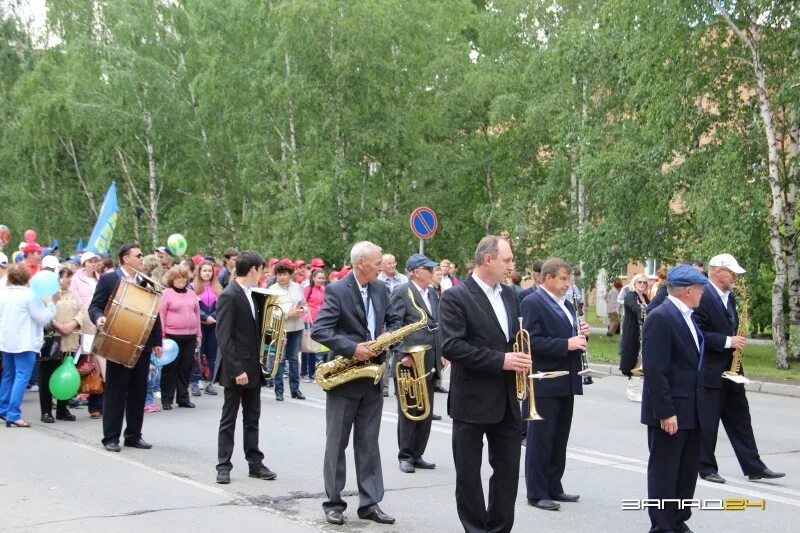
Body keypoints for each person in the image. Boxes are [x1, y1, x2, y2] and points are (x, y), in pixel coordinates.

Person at [440, 236, 529, 533]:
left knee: (508, 473)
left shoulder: (511, 295)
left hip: (506, 400)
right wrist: (501, 360)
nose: (511, 266)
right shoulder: (456, 296)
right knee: (468, 475)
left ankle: (500, 528)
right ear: (488, 260)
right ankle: (476, 529)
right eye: (507, 260)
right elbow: (451, 345)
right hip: (472, 400)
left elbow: (516, 339)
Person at [311, 241, 402, 526]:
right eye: (377, 263)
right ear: (361, 263)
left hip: (372, 377)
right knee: (337, 442)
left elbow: (392, 319)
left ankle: (370, 503)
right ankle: (334, 503)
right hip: (345, 377)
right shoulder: (337, 290)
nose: (382, 267)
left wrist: (390, 334)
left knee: (368, 443)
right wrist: (353, 348)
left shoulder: (379, 288)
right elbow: (320, 330)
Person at [694, 254, 785, 484]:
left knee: (741, 419)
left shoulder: (730, 297)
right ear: (717, 271)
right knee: (709, 422)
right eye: (731, 272)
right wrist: (728, 341)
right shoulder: (702, 296)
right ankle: (705, 467)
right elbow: (697, 333)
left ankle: (754, 466)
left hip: (733, 369)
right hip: (711, 370)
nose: (735, 276)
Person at [640, 265, 708, 533]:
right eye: (701, 289)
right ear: (688, 290)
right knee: (665, 471)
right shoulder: (662, 317)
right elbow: (656, 371)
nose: (703, 293)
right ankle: (662, 526)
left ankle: (678, 521)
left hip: (691, 409)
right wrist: (666, 412)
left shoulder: (689, 316)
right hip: (671, 412)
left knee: (685, 472)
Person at [520, 258, 588, 512]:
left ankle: (553, 485)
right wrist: (565, 344)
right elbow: (529, 341)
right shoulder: (533, 302)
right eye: (562, 279)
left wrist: (581, 334)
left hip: (566, 377)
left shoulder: (567, 304)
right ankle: (537, 492)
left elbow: (568, 334)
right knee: (541, 439)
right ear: (547, 278)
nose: (566, 284)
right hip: (544, 379)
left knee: (559, 437)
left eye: (568, 279)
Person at [89, 244, 163, 452]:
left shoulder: (145, 281)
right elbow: (94, 306)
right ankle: (111, 437)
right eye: (138, 255)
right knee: (116, 391)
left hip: (141, 344)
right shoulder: (109, 279)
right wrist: (99, 318)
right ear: (125, 258)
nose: (141, 258)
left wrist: (156, 341)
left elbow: (154, 313)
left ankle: (133, 435)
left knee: (139, 391)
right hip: (117, 342)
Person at [214, 251, 276, 484]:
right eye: (261, 269)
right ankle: (223, 465)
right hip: (236, 367)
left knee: (252, 416)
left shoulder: (254, 294)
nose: (262, 274)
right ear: (252, 269)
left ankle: (255, 463)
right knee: (229, 418)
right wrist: (236, 369)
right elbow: (224, 337)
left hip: (254, 365)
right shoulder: (229, 295)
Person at [390, 253, 443, 474]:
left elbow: (438, 324)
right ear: (414, 271)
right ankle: (405, 455)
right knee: (410, 409)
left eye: (433, 269)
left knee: (426, 410)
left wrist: (442, 352)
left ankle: (418, 453)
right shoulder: (402, 292)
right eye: (428, 269)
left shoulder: (432, 293)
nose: (433, 272)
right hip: (409, 360)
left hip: (429, 359)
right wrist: (403, 352)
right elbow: (394, 325)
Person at [0, 264, 57, 427]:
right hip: (25, 341)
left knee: (8, 375)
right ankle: (13, 414)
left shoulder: (3, 293)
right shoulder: (30, 295)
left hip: (6, 341)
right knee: (21, 376)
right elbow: (43, 318)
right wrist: (52, 305)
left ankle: (3, 408)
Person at [39, 264, 87, 423]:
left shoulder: (74, 295)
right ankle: (46, 410)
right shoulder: (47, 295)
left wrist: (73, 324)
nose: (66, 280)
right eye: (63, 276)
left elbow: (82, 311)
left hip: (69, 341)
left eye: (69, 276)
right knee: (47, 376)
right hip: (52, 341)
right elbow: (42, 314)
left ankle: (62, 408)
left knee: (65, 375)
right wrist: (58, 325)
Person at [158, 265, 202, 407]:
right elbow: (161, 315)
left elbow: (197, 313)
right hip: (172, 336)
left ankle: (183, 398)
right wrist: (162, 335)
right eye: (178, 277)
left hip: (190, 335)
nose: (181, 280)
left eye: (183, 277)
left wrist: (198, 335)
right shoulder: (166, 293)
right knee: (170, 369)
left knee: (185, 368)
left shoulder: (191, 293)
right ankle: (167, 399)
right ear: (172, 279)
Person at [71, 251, 103, 418]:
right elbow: (75, 302)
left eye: (95, 261)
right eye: (90, 261)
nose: (93, 264)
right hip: (85, 327)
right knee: (88, 364)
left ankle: (98, 403)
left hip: (99, 325)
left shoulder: (100, 279)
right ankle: (88, 397)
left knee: (101, 365)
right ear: (83, 263)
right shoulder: (76, 280)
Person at [271, 261, 308, 401]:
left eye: (285, 274)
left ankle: (295, 389)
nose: (282, 277)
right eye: (279, 274)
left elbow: (305, 305)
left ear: (290, 275)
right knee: (280, 359)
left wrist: (302, 310)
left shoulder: (297, 287)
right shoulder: (272, 289)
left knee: (293, 359)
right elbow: (271, 312)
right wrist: (287, 314)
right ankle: (279, 390)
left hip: (297, 327)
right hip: (281, 328)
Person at [620, 274, 650, 403]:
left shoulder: (644, 298)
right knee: (636, 361)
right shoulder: (631, 296)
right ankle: (633, 391)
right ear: (634, 283)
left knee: (642, 361)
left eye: (644, 283)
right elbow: (637, 310)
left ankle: (635, 390)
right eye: (640, 282)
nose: (642, 284)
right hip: (634, 334)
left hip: (644, 334)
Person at [193, 260, 222, 396]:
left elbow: (221, 306)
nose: (207, 273)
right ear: (199, 272)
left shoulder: (218, 288)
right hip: (198, 324)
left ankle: (209, 382)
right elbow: (193, 306)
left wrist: (213, 317)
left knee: (211, 353)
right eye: (204, 270)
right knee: (197, 352)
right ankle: (195, 381)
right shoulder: (192, 287)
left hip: (213, 325)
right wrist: (204, 317)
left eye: (209, 271)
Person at [301, 268, 327, 382]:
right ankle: (304, 372)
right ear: (313, 278)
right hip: (308, 320)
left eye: (323, 278)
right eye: (319, 278)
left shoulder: (324, 289)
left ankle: (312, 372)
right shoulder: (308, 289)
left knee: (314, 348)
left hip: (319, 320)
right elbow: (302, 303)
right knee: (306, 347)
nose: (321, 280)